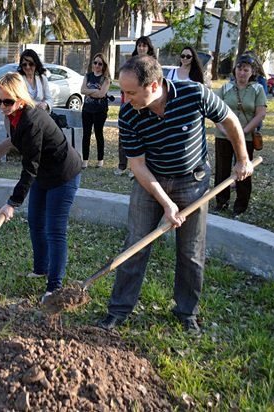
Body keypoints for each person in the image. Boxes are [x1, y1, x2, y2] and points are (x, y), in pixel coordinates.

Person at [98, 55, 253, 333]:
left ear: (155, 85)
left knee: (191, 251)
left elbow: (229, 120)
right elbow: (137, 165)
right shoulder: (128, 113)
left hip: (192, 181)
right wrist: (167, 203)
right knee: (135, 244)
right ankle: (119, 310)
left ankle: (186, 312)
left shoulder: (194, 94)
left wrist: (242, 159)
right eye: (123, 91)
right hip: (151, 182)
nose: (126, 97)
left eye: (131, 92)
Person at [0, 72, 82, 302]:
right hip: (44, 174)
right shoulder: (15, 117)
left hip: (63, 175)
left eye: (7, 101)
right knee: (35, 221)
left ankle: (54, 286)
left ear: (21, 99)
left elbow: (29, 167)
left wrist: (12, 203)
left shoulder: (32, 121)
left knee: (55, 230)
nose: (2, 106)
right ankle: (41, 268)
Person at [0, 50, 53, 172]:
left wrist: (45, 104)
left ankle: (40, 165)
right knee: (15, 139)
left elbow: (49, 98)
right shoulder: (18, 79)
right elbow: (15, 97)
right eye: (24, 64)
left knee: (29, 141)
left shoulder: (42, 79)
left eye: (31, 64)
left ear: (36, 64)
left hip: (37, 117)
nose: (28, 67)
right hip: (15, 114)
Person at [214, 54, 266, 217]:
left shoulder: (257, 89)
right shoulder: (225, 88)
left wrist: (241, 132)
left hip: (246, 136)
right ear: (234, 70)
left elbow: (260, 114)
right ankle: (221, 202)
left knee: (244, 169)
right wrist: (224, 130)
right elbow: (215, 111)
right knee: (222, 169)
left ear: (252, 72)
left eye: (246, 70)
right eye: (239, 69)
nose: (242, 73)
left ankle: (240, 206)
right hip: (223, 136)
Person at [115, 36, 157, 177]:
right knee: (125, 137)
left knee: (143, 137)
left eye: (144, 45)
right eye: (139, 45)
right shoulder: (130, 63)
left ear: (149, 48)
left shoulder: (154, 64)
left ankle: (137, 169)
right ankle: (122, 165)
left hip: (146, 106)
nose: (141, 48)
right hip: (127, 105)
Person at [80, 53, 111, 169]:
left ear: (103, 66)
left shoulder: (106, 79)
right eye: (95, 62)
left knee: (99, 133)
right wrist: (94, 91)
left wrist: (89, 90)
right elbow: (82, 90)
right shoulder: (88, 76)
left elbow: (102, 94)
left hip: (100, 110)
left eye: (100, 63)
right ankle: (85, 160)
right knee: (86, 134)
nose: (97, 65)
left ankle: (100, 159)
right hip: (87, 109)